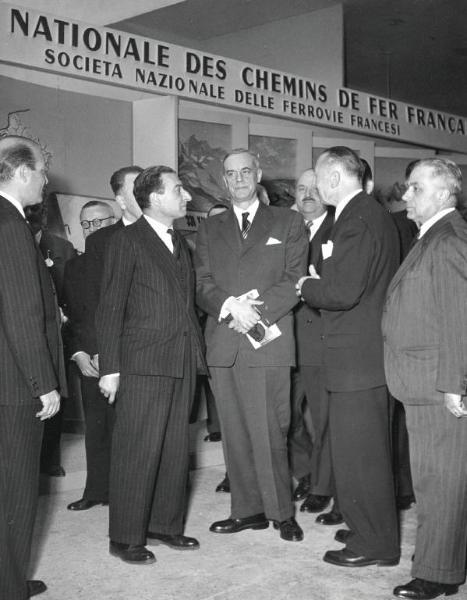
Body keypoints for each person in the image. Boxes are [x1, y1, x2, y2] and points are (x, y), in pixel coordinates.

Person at [195, 148, 308, 542]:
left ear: (258, 174)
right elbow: (202, 282)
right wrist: (230, 308)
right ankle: (247, 510)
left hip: (267, 342)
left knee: (270, 431)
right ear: (224, 181)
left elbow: (294, 278)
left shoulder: (289, 221)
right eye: (231, 173)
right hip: (224, 342)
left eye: (246, 171)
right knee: (236, 432)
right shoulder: (210, 228)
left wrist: (252, 315)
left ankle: (281, 512)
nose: (239, 178)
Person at [97, 165, 206, 564]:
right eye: (179, 190)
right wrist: (110, 367)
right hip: (142, 362)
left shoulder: (179, 242)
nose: (187, 196)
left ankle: (164, 525)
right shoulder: (128, 241)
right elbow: (110, 308)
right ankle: (125, 536)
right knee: (137, 450)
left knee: (176, 448)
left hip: (181, 360)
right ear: (156, 198)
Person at [297, 146, 400, 567]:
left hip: (356, 358)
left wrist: (306, 285)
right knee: (361, 453)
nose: (317, 188)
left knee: (363, 457)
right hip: (361, 356)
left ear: (335, 178)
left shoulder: (355, 220)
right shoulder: (367, 214)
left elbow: (341, 292)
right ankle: (367, 527)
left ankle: (374, 544)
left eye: (320, 180)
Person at [383, 158, 467, 600]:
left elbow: (459, 317)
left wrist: (455, 384)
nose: (406, 195)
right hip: (422, 381)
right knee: (433, 481)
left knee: (440, 483)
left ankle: (438, 573)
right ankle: (441, 564)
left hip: (438, 385)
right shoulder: (431, 236)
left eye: (415, 188)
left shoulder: (449, 239)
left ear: (442, 194)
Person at [0, 135, 66, 600]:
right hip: (14, 387)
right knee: (17, 494)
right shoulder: (10, 225)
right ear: (22, 172)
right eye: (42, 170)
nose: (46, 179)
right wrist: (44, 384)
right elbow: (22, 315)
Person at [64, 200, 117, 511]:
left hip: (121, 359)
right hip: (89, 361)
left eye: (98, 223)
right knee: (95, 429)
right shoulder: (74, 266)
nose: (92, 230)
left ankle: (126, 492)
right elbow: (72, 317)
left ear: (113, 222)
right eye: (86, 224)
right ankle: (96, 490)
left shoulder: (126, 260)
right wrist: (79, 353)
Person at [291, 168, 336, 515]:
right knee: (286, 417)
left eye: (314, 188)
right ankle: (305, 471)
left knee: (323, 419)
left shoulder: (340, 230)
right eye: (301, 188)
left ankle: (322, 485)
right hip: (282, 341)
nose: (307, 194)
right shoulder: (284, 229)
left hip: (320, 339)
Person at [25, 200, 76, 478]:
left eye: (37, 213)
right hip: (28, 332)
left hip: (58, 332)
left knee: (57, 393)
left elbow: (71, 288)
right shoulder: (13, 239)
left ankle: (50, 460)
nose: (32, 218)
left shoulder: (60, 247)